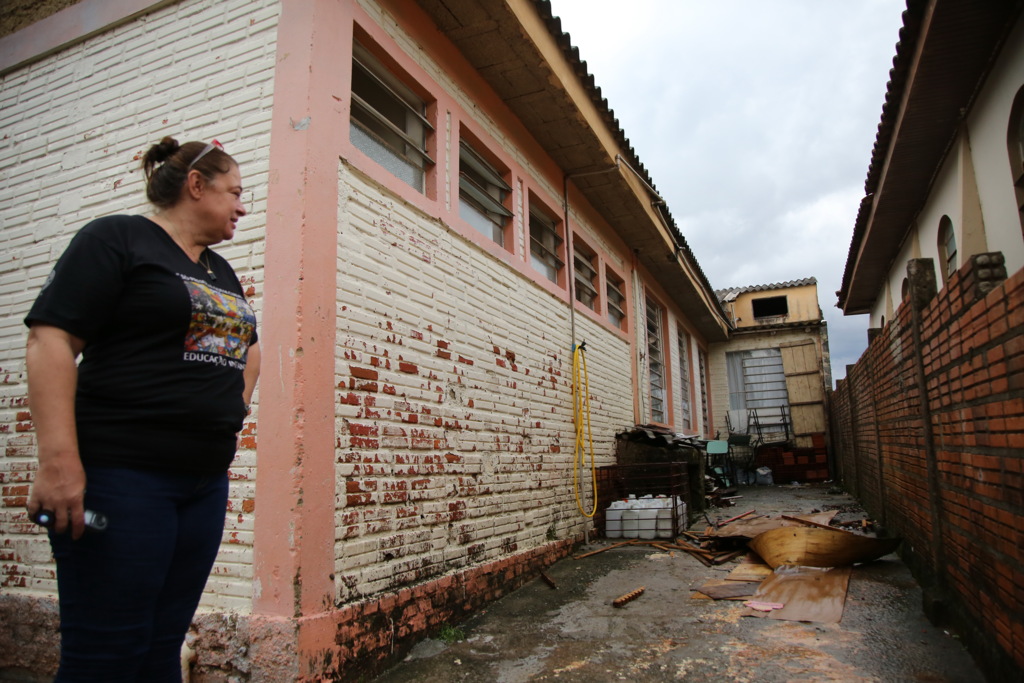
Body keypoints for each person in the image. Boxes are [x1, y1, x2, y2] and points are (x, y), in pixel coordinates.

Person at [24, 136, 261, 682]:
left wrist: (230, 411)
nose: (242, 206)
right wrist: (58, 461)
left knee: (161, 646)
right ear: (196, 186)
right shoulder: (117, 239)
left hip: (202, 484)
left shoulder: (218, 270)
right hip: (121, 478)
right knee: (106, 655)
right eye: (235, 192)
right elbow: (51, 340)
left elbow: (249, 345)